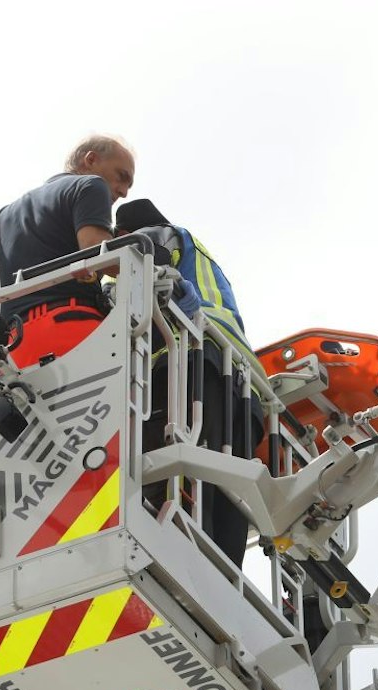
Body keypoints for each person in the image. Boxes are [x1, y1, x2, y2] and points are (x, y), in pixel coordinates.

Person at [114, 198, 263, 565]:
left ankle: (181, 556)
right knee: (226, 488)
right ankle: (224, 575)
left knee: (175, 470)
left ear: (124, 232)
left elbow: (138, 285)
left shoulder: (152, 236)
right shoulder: (200, 253)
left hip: (192, 360)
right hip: (243, 383)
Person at [0, 135, 137, 366]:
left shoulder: (6, 216)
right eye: (122, 177)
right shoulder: (91, 185)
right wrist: (145, 265)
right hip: (74, 330)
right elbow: (97, 250)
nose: (124, 192)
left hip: (16, 348)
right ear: (91, 160)